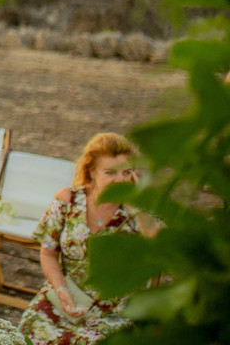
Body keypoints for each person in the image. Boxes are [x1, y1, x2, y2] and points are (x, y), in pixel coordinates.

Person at [19, 132, 156, 345]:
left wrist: (137, 206)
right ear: (91, 171)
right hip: (67, 295)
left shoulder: (137, 214)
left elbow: (163, 246)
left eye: (127, 172)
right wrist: (61, 289)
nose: (120, 180)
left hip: (113, 311)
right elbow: (48, 253)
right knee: (29, 326)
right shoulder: (69, 200)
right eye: (110, 173)